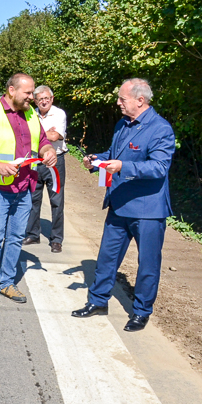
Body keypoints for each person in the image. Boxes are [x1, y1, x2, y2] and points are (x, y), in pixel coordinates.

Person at [72, 78, 175, 332]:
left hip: (147, 210)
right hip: (118, 204)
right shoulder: (122, 124)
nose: (117, 102)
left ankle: (141, 312)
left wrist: (123, 167)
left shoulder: (161, 129)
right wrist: (98, 159)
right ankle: (98, 301)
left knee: (148, 263)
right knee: (106, 258)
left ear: (140, 100)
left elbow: (159, 167)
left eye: (122, 98)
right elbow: (114, 155)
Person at [0, 73, 56, 315]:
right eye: (28, 93)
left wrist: (48, 151)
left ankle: (6, 283)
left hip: (25, 187)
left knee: (15, 237)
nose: (32, 97)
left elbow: (43, 141)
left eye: (33, 92)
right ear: (11, 90)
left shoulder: (31, 114)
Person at [23, 85, 67, 253]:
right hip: (35, 161)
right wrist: (44, 132)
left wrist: (36, 133)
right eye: (40, 99)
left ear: (52, 99)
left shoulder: (59, 113)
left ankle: (56, 240)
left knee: (56, 201)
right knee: (33, 199)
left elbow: (55, 136)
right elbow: (25, 135)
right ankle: (33, 234)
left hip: (55, 161)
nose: (43, 102)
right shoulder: (30, 113)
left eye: (46, 98)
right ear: (35, 100)